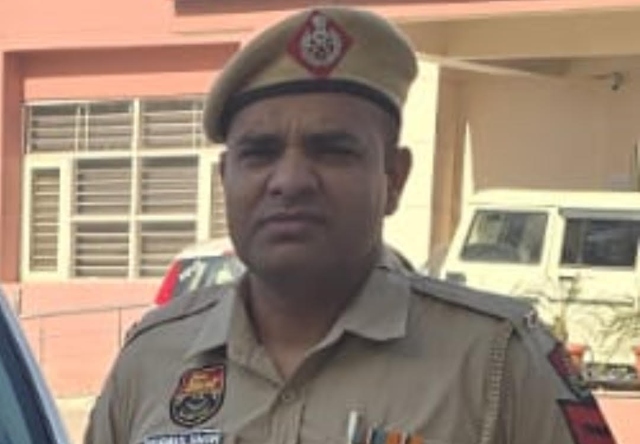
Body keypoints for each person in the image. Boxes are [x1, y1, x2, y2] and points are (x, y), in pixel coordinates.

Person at [84, 6, 616, 444]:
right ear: (226, 178)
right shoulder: (152, 360)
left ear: (394, 178)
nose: (289, 180)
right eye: (260, 153)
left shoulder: (499, 362)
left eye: (332, 150)